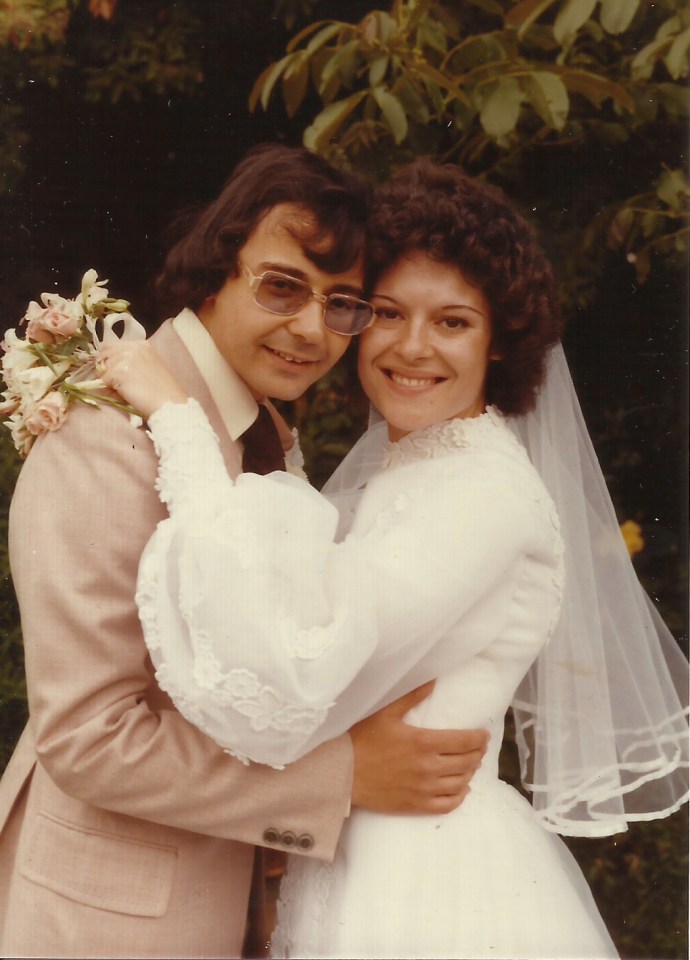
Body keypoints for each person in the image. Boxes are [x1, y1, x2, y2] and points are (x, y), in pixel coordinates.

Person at [101, 158, 689, 960]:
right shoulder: (415, 466)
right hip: (361, 864)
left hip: (431, 885)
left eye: (452, 322)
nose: (414, 347)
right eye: (386, 313)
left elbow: (295, 667)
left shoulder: (483, 494)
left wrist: (178, 424)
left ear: (500, 343)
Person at [0, 146, 489, 960]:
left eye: (341, 303)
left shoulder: (258, 430)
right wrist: (341, 778)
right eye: (282, 286)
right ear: (215, 269)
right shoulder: (108, 438)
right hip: (108, 923)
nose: (310, 330)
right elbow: (88, 735)